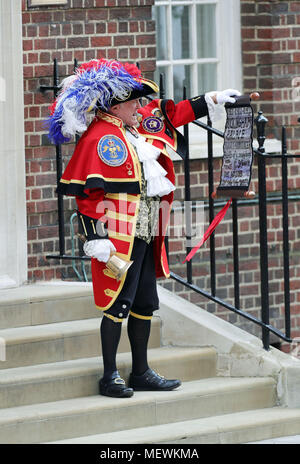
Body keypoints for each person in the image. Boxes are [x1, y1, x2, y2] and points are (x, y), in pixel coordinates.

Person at [47, 59, 240, 398]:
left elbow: (170, 114)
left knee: (144, 302)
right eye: (134, 101)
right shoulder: (101, 137)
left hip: (149, 226)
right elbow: (88, 195)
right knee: (117, 303)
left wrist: (210, 100)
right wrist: (96, 239)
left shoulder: (133, 126)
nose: (140, 106)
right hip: (119, 233)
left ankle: (140, 371)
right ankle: (109, 375)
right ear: (117, 104)